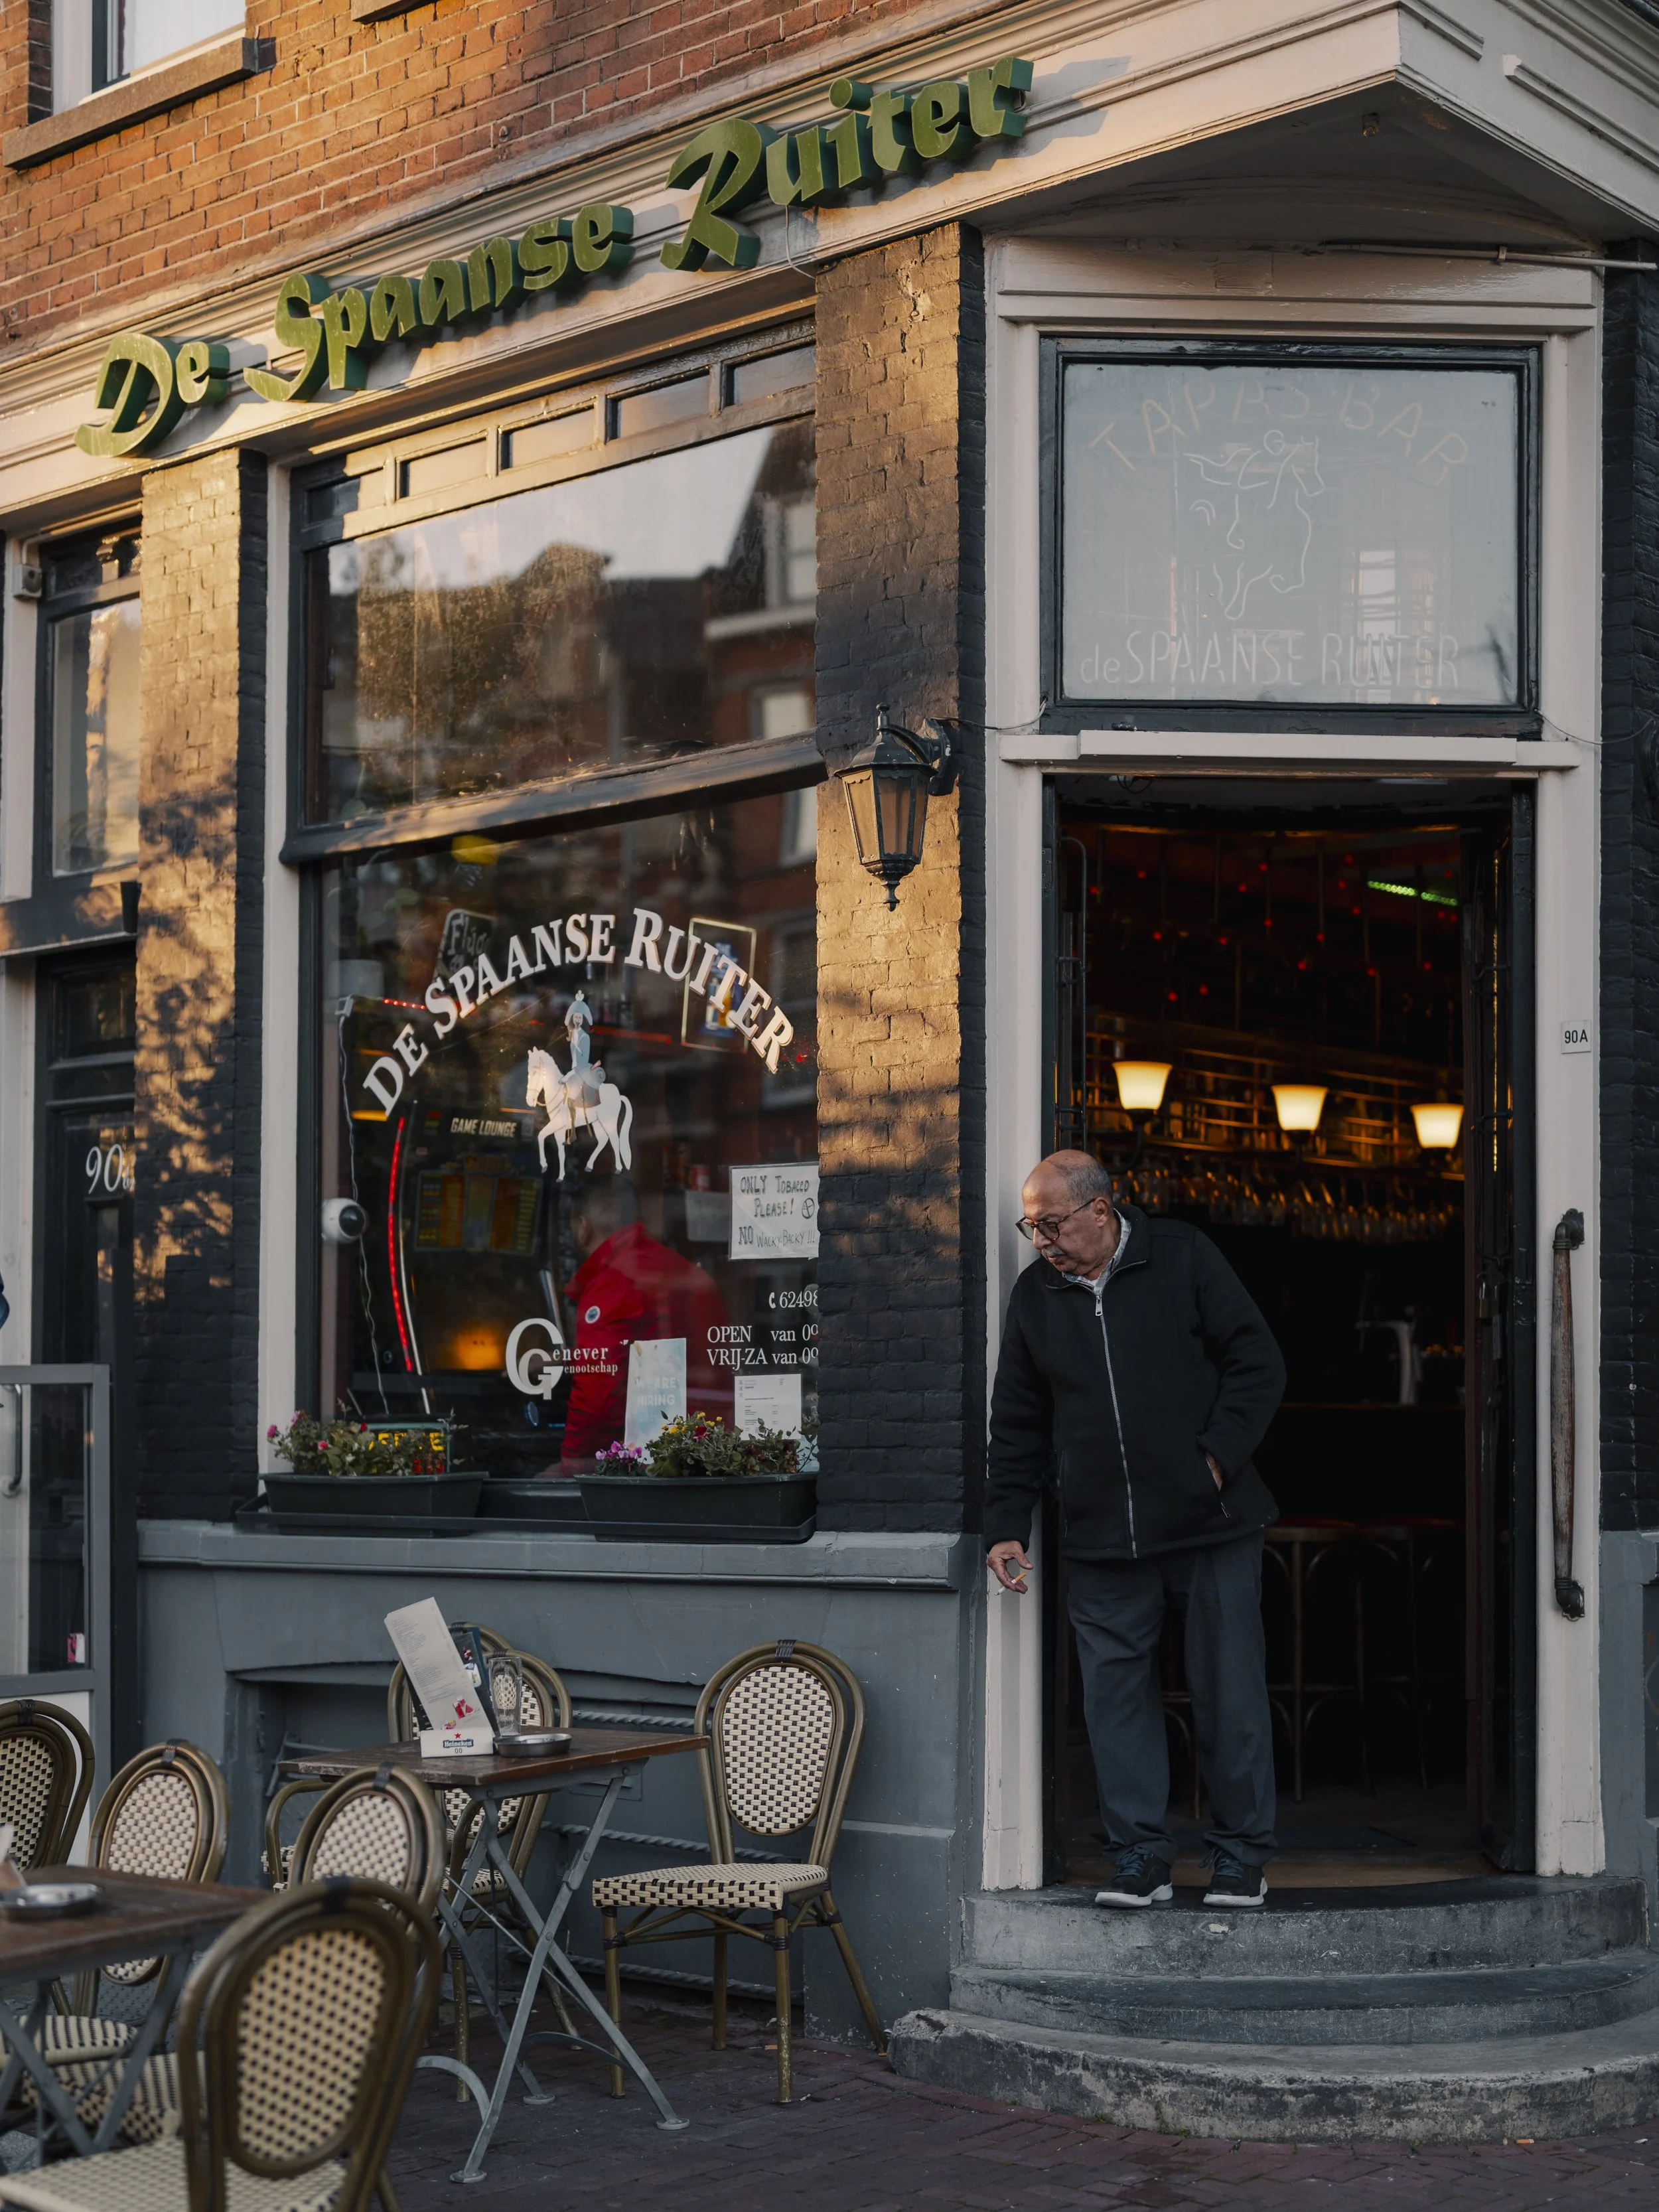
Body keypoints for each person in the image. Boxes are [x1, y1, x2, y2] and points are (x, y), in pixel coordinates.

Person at [985, 1149, 1285, 1909]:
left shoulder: (1181, 1255)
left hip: (1208, 1525)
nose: (1042, 1241)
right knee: (1114, 1702)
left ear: (1099, 1211)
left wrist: (1213, 1460)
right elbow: (1016, 1420)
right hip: (1098, 1538)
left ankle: (1241, 1856)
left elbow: (1257, 1361)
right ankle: (1139, 1857)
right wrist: (1005, 1526)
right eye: (1032, 1227)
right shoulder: (1035, 1297)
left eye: (1052, 1224)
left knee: (1230, 1692)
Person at [558, 1177, 729, 1465]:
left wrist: (572, 1463)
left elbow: (598, 1393)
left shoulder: (613, 1283)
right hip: (711, 1451)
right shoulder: (689, 1274)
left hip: (654, 1461)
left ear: (583, 1225)